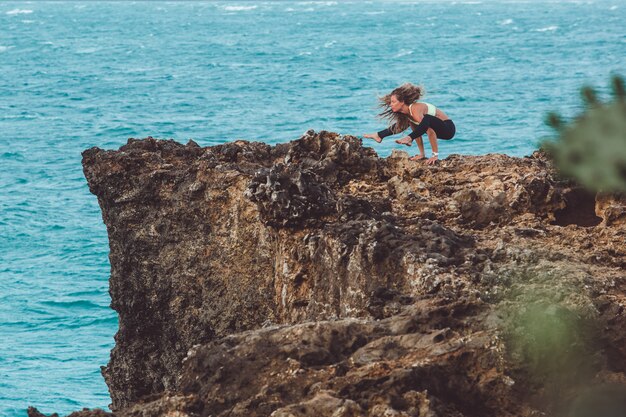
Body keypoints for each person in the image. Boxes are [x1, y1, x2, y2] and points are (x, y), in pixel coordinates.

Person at [363, 83, 456, 165]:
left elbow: (430, 132)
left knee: (426, 120)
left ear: (402, 102)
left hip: (448, 129)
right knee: (407, 124)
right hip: (436, 130)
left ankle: (408, 138)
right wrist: (422, 155)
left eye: (393, 102)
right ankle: (379, 135)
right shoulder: (408, 115)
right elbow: (417, 133)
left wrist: (434, 155)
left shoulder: (415, 109)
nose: (390, 104)